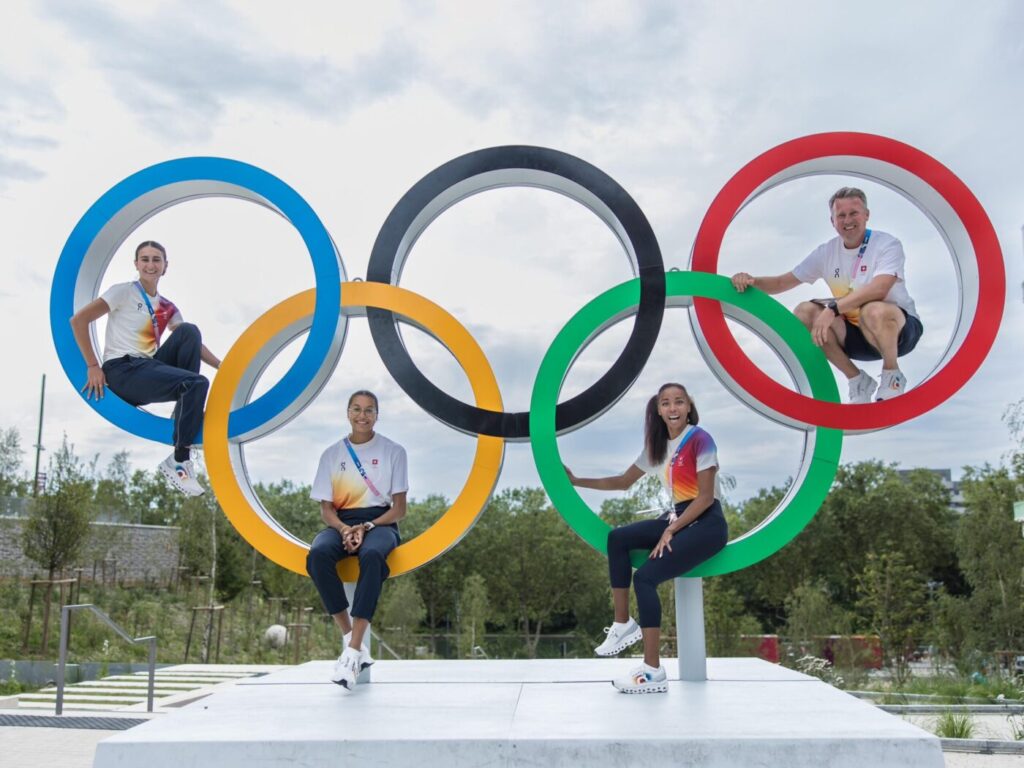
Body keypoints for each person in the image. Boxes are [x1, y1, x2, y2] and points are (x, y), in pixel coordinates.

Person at [565, 383, 728, 694]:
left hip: (706, 524)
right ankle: (623, 623)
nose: (673, 408)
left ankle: (652, 671)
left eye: (679, 401)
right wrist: (576, 481)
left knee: (646, 579)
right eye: (666, 403)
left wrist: (671, 528)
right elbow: (623, 481)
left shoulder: (700, 439)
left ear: (689, 406)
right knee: (617, 539)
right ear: (658, 410)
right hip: (677, 519)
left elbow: (706, 498)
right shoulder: (657, 447)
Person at [731, 187, 923, 403]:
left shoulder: (887, 244)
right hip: (856, 336)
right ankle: (857, 379)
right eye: (841, 215)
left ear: (866, 215)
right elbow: (781, 282)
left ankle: (892, 374)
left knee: (873, 309)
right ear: (832, 221)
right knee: (804, 312)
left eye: (854, 213)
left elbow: (880, 288)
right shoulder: (826, 252)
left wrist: (833, 309)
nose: (847, 220)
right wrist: (750, 281)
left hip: (897, 333)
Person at [70, 240, 220, 496]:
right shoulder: (123, 292)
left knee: (189, 331)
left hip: (148, 367)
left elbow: (192, 344)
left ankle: (182, 412)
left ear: (165, 267)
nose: (150, 265)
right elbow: (79, 320)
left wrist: (222, 366)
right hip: (123, 371)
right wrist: (93, 365)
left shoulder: (167, 306)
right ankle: (179, 461)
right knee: (196, 383)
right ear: (137, 264)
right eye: (145, 259)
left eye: (156, 260)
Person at [307, 390, 408, 691]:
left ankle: (352, 652)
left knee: (372, 556)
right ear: (347, 413)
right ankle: (350, 639)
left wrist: (366, 526)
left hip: (380, 522)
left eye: (369, 410)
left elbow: (399, 509)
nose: (362, 416)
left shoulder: (394, 451)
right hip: (342, 522)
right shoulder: (331, 454)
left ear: (377, 415)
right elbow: (326, 509)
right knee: (318, 555)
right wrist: (342, 529)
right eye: (357, 409)